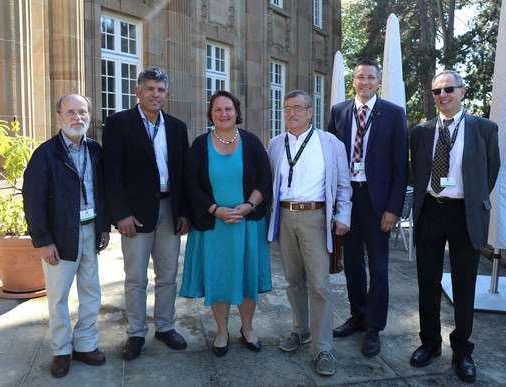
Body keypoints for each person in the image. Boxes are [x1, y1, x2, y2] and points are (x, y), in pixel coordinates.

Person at [409, 70, 500, 383]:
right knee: (427, 282)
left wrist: (471, 198)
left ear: (462, 92)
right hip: (430, 212)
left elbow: (491, 171)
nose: (442, 95)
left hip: (465, 214)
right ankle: (430, 343)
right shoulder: (421, 131)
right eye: (436, 91)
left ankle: (462, 349)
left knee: (464, 285)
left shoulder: (485, 128)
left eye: (449, 89)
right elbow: (417, 172)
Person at [102, 68, 191, 360]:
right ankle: (136, 332)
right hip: (135, 214)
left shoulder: (178, 127)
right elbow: (111, 174)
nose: (156, 95)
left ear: (167, 93)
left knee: (167, 275)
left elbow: (184, 174)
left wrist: (184, 212)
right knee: (136, 277)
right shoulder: (118, 124)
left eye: (161, 90)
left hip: (170, 209)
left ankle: (165, 327)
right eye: (150, 89)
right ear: (137, 91)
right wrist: (121, 214)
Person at [23, 94, 110, 378]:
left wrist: (104, 227)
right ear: (58, 116)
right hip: (59, 237)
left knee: (91, 292)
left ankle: (85, 345)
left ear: (89, 115)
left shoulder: (95, 150)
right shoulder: (46, 153)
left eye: (82, 112)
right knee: (58, 297)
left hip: (90, 232)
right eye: (70, 112)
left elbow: (103, 192)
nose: (77, 118)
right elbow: (33, 201)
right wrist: (44, 240)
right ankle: (61, 350)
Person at [179, 90, 272, 357]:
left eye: (228, 109)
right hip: (214, 226)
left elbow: (264, 179)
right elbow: (191, 184)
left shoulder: (252, 142)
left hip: (247, 224)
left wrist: (249, 206)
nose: (224, 114)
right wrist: (214, 209)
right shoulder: (200, 145)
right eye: (217, 110)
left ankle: (247, 328)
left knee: (245, 277)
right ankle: (222, 331)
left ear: (237, 112)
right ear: (210, 114)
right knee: (219, 278)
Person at [327, 59, 409, 357]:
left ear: (378, 82)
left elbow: (401, 167)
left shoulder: (394, 114)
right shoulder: (338, 112)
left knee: (379, 267)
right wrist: (333, 204)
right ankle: (358, 315)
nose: (365, 82)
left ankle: (375, 327)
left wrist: (393, 209)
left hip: (378, 203)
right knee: (351, 263)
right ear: (353, 81)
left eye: (370, 78)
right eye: (360, 77)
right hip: (347, 199)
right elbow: (328, 157)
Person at [268, 90, 352, 376]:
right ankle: (300, 329)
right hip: (285, 216)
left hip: (316, 217)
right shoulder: (275, 144)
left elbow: (343, 185)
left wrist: (342, 216)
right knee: (293, 280)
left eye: (298, 108)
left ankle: (323, 347)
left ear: (310, 111)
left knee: (319, 284)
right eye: (287, 108)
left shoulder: (330, 143)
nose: (292, 114)